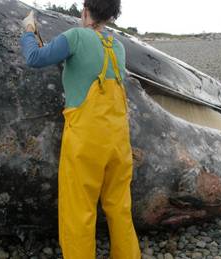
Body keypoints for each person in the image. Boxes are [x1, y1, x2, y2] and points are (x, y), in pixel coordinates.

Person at [20, 0, 141, 258]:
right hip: (119, 143)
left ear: (85, 11)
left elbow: (34, 58)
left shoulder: (75, 36)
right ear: (111, 16)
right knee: (120, 207)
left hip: (86, 143)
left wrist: (29, 30)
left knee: (79, 212)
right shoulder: (118, 47)